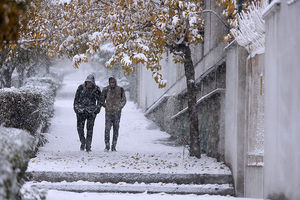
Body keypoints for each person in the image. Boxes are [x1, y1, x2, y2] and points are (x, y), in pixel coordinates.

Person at [73, 74, 101, 152]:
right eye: (88, 82)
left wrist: (97, 110)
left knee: (90, 129)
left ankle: (88, 146)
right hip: (81, 112)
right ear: (86, 82)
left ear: (93, 82)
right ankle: (83, 142)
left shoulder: (96, 89)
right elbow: (76, 99)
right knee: (80, 129)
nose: (89, 84)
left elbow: (100, 100)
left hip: (91, 112)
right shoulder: (81, 88)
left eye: (91, 82)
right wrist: (76, 109)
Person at [101, 77, 126, 151]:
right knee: (107, 129)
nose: (112, 84)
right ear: (109, 82)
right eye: (111, 82)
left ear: (115, 82)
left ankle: (114, 146)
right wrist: (106, 106)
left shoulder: (120, 89)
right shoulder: (105, 90)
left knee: (116, 130)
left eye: (113, 82)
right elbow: (101, 100)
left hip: (117, 113)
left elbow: (124, 100)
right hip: (108, 113)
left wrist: (119, 107)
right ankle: (107, 145)